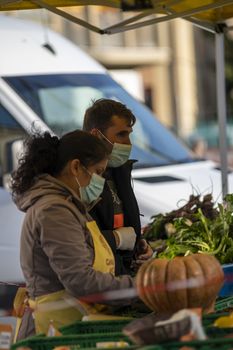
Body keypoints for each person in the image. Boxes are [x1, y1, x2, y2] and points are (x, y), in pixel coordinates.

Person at [11, 129, 135, 340]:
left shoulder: (69, 204)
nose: (101, 180)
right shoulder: (54, 210)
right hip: (51, 332)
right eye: (98, 171)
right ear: (76, 166)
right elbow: (80, 280)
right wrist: (140, 288)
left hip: (70, 326)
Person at [83, 99, 153, 276]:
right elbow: (76, 239)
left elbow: (125, 225)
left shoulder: (120, 171)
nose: (128, 143)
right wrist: (118, 239)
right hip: (98, 282)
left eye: (129, 134)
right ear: (96, 135)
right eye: (121, 134)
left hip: (122, 278)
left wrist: (138, 245)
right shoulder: (78, 181)